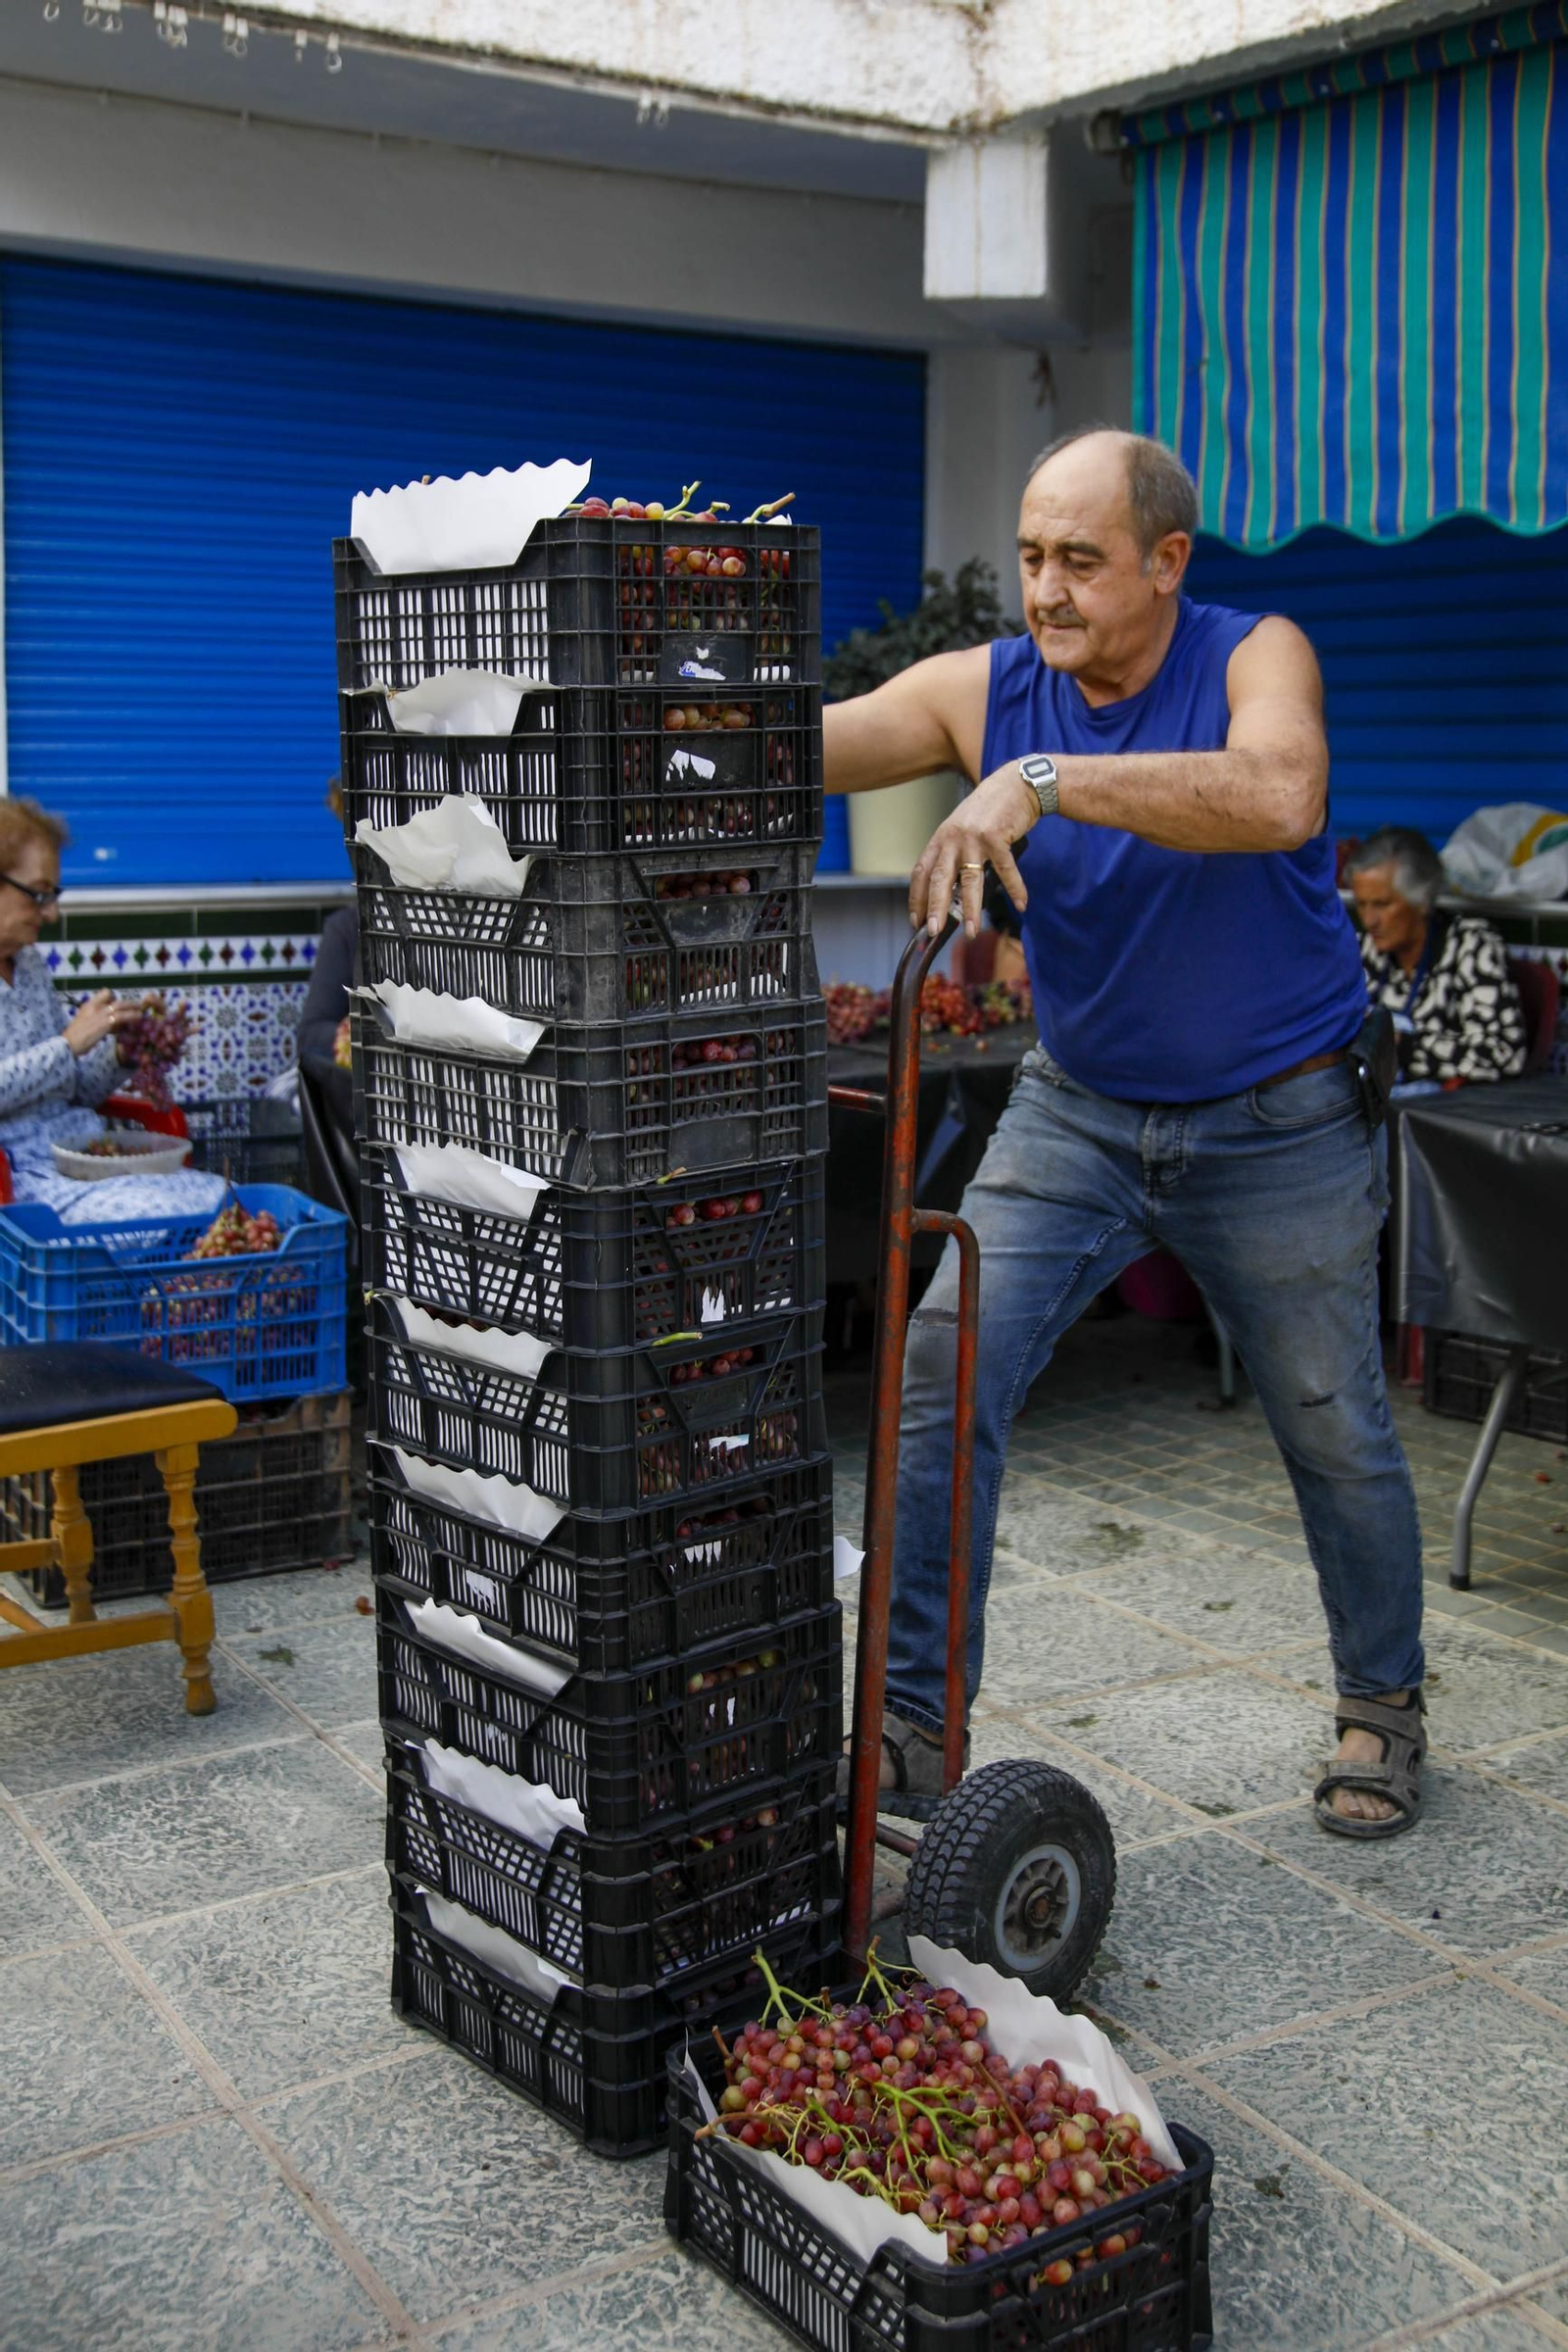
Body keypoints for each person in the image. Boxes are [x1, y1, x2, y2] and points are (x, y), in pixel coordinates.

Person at [825, 426, 1427, 1839]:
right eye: (1031, 555)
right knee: (938, 1369)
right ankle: (916, 1726)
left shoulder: (1250, 653)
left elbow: (1282, 793)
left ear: (1167, 562)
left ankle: (1383, 1707)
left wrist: (1040, 781)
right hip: (1080, 1112)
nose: (1044, 589)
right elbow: (815, 742)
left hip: (1281, 1116)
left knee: (1334, 1423)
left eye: (1080, 560)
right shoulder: (990, 684)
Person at [0, 799, 223, 1224]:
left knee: (221, 1199)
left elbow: (74, 1090)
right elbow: (60, 1057)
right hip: (26, 1179)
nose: (51, 913)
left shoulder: (27, 965)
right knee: (168, 1215)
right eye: (39, 894)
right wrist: (68, 1044)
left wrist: (121, 1053)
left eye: (53, 895)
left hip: (84, 1158)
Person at [1347, 828, 1528, 1091]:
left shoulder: (1470, 945)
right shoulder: (1366, 950)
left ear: (1421, 900)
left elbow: (1504, 1054)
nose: (1369, 920)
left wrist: (1401, 1046)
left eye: (1382, 904)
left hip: (1445, 1112)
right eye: (1361, 905)